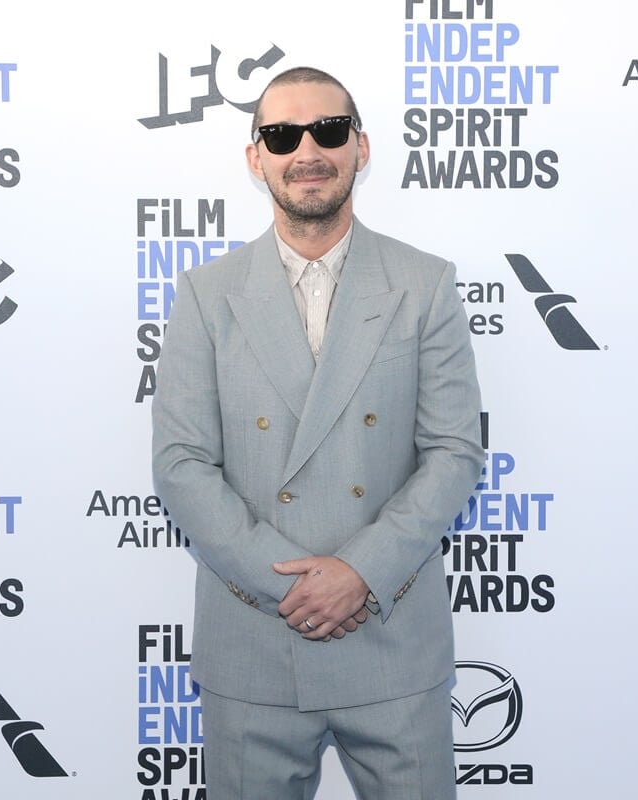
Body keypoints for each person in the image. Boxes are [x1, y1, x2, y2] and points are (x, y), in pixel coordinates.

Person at [151, 66, 483, 799]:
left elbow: (454, 452)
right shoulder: (206, 296)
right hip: (253, 643)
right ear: (255, 158)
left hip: (390, 636)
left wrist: (358, 572)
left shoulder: (425, 283)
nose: (308, 150)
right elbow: (182, 464)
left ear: (361, 148)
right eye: (282, 134)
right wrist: (296, 585)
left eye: (328, 131)